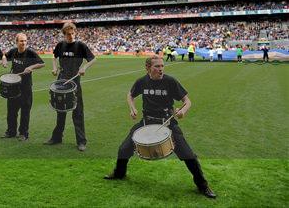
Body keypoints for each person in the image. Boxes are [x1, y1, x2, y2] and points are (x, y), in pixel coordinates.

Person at [103, 56, 216, 199]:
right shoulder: (142, 82)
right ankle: (119, 173)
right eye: (157, 66)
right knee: (124, 148)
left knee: (188, 155)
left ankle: (203, 186)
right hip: (147, 122)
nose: (161, 69)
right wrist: (132, 109)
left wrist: (182, 111)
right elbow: (130, 95)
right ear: (148, 68)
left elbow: (187, 101)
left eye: (162, 66)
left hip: (167, 123)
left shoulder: (170, 81)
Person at [45, 22, 96, 151]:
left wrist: (84, 67)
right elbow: (54, 56)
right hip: (61, 81)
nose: (71, 36)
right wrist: (55, 68)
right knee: (60, 110)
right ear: (64, 34)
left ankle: (81, 141)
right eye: (68, 34)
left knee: (77, 112)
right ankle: (57, 138)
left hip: (75, 82)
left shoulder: (80, 46)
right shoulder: (60, 45)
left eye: (73, 33)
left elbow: (93, 59)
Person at [1, 33, 45, 141]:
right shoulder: (13, 51)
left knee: (25, 112)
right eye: (21, 41)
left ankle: (23, 133)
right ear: (16, 42)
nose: (23, 43)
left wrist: (31, 67)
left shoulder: (30, 52)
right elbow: (4, 56)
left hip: (25, 87)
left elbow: (42, 63)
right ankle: (11, 132)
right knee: (11, 111)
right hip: (13, 86)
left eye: (25, 41)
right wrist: (5, 61)